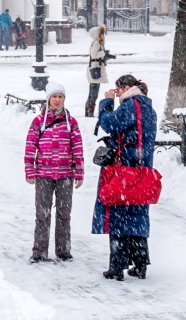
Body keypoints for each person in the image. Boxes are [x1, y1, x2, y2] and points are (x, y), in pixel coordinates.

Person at [92, 74, 156, 281]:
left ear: (126, 87)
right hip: (142, 172)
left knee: (119, 218)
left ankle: (117, 267)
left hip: (124, 172)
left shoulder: (130, 106)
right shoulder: (148, 108)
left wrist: (106, 103)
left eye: (118, 90)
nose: (117, 93)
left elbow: (109, 123)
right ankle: (140, 265)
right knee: (137, 218)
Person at [24, 82, 84, 263]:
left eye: (60, 97)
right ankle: (39, 252)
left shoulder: (71, 122)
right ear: (48, 98)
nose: (57, 100)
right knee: (42, 214)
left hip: (65, 174)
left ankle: (63, 250)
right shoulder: (38, 122)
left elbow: (78, 148)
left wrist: (79, 172)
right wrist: (30, 170)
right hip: (44, 174)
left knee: (64, 214)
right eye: (54, 96)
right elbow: (30, 146)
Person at [85, 25, 109, 117]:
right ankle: (90, 111)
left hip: (96, 68)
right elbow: (94, 54)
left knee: (92, 91)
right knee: (94, 91)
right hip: (95, 70)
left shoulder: (98, 42)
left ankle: (88, 110)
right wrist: (103, 53)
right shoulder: (97, 43)